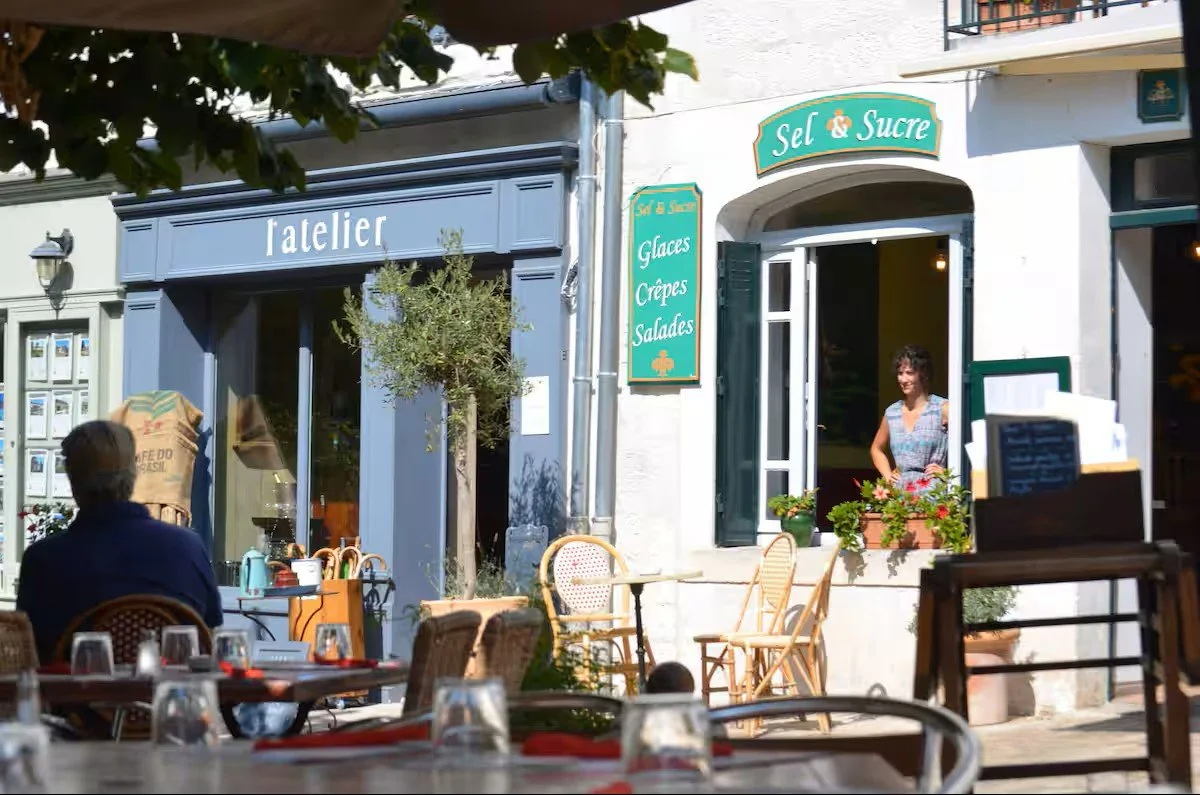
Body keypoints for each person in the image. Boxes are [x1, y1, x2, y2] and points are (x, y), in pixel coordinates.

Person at [17, 420, 223, 663]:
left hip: (78, 698)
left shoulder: (44, 559)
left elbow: (30, 651)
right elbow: (211, 634)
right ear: (133, 475)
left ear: (73, 481)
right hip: (171, 696)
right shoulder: (188, 547)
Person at [870, 345, 950, 495]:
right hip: (900, 496)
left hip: (933, 495)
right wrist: (888, 477)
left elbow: (968, 443)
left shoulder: (942, 408)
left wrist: (948, 471)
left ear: (923, 374)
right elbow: (876, 449)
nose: (903, 379)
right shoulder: (892, 413)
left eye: (909, 373)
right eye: (900, 373)